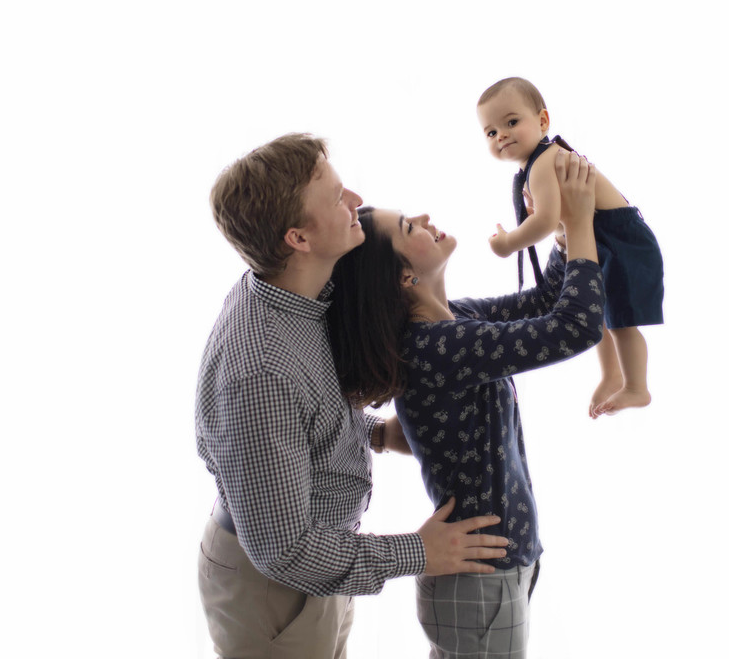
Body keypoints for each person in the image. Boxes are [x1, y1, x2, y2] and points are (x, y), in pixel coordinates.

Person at [195, 133, 510, 659]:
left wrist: (377, 434)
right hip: (277, 587)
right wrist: (419, 552)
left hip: (319, 564)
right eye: (337, 196)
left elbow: (298, 419)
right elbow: (286, 552)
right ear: (298, 237)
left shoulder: (295, 289)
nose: (356, 201)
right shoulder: (260, 371)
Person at [326, 150, 605, 658]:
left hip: (497, 571)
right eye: (409, 226)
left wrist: (565, 231)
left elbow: (545, 303)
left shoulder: (452, 320)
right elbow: (574, 327)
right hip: (481, 582)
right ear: (403, 277)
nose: (424, 218)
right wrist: (582, 222)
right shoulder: (436, 347)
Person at [477, 76, 665, 418]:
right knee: (598, 309)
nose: (501, 135)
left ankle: (637, 387)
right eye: (490, 132)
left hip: (620, 242)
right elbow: (558, 221)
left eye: (512, 122)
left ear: (543, 121)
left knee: (621, 321)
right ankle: (612, 374)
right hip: (603, 239)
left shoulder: (543, 162)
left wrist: (508, 244)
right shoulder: (534, 166)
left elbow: (546, 220)